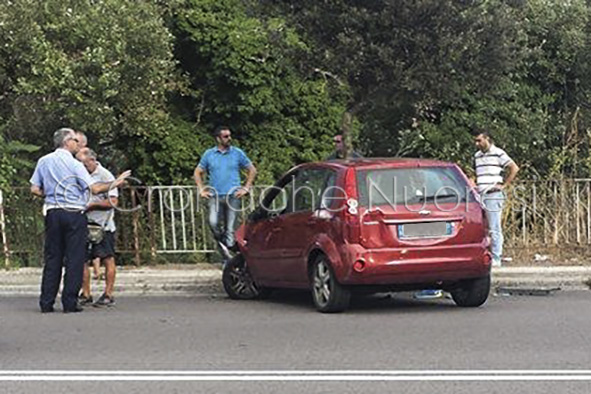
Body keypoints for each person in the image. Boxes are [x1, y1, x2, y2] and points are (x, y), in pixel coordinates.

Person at [30, 128, 130, 313]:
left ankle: (46, 302)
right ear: (67, 142)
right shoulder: (74, 164)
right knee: (75, 258)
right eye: (75, 140)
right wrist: (115, 182)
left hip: (53, 211)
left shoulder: (43, 161)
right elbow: (94, 189)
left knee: (53, 258)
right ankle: (69, 302)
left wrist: (51, 194)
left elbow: (35, 189)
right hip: (74, 212)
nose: (78, 144)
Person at [194, 126, 257, 261]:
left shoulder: (237, 153)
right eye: (226, 136)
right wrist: (201, 189)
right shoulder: (209, 154)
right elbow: (197, 172)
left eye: (229, 136)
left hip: (233, 195)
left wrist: (246, 187)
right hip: (215, 195)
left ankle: (228, 261)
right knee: (212, 222)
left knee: (230, 228)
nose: (229, 139)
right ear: (218, 138)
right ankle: (223, 242)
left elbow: (252, 170)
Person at [473, 129, 519, 267]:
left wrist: (504, 185)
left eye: (479, 140)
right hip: (480, 194)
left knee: (494, 227)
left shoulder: (498, 153)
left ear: (487, 139)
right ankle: (485, 255)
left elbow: (514, 168)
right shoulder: (477, 156)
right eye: (475, 141)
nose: (477, 144)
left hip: (493, 194)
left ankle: (496, 256)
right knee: (482, 227)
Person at [79, 150, 119, 307]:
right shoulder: (80, 175)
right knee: (82, 259)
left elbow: (113, 202)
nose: (81, 167)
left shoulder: (105, 176)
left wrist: (93, 205)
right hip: (84, 223)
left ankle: (108, 293)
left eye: (84, 164)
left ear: (92, 160)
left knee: (107, 258)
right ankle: (86, 293)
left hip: (103, 225)